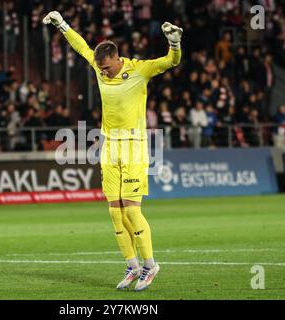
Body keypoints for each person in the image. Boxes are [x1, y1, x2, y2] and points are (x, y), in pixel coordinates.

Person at [43, 11, 182, 291]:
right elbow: (81, 46)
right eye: (100, 68)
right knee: (115, 213)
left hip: (134, 147)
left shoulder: (140, 69)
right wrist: (62, 25)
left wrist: (175, 43)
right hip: (109, 146)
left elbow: (170, 62)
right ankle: (132, 266)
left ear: (117, 60)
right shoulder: (99, 66)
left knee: (131, 211)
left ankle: (150, 265)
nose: (102, 72)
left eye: (106, 68)